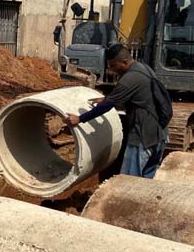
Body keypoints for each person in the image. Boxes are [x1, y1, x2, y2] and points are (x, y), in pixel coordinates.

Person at [64, 44, 168, 178]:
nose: (111, 70)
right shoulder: (144, 68)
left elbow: (106, 106)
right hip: (160, 134)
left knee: (128, 180)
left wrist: (79, 119)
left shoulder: (129, 79)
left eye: (113, 66)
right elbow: (138, 96)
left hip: (143, 137)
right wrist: (109, 99)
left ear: (124, 62)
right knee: (145, 180)